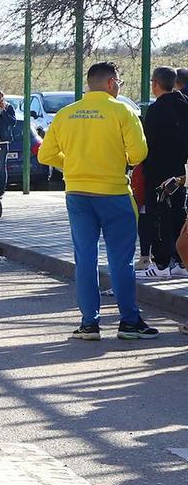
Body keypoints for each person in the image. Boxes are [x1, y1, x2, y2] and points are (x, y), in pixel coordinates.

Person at [36, 62, 160, 340]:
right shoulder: (122, 110)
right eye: (119, 83)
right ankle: (129, 322)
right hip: (114, 193)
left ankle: (89, 323)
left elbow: (45, 156)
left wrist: (71, 166)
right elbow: (138, 153)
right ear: (111, 83)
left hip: (77, 194)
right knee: (121, 261)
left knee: (85, 258)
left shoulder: (66, 114)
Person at [139, 66, 188, 279]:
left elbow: (146, 143)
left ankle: (160, 265)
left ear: (155, 84)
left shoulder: (156, 110)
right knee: (179, 215)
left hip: (159, 173)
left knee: (157, 218)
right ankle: (181, 262)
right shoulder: (185, 105)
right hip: (181, 172)